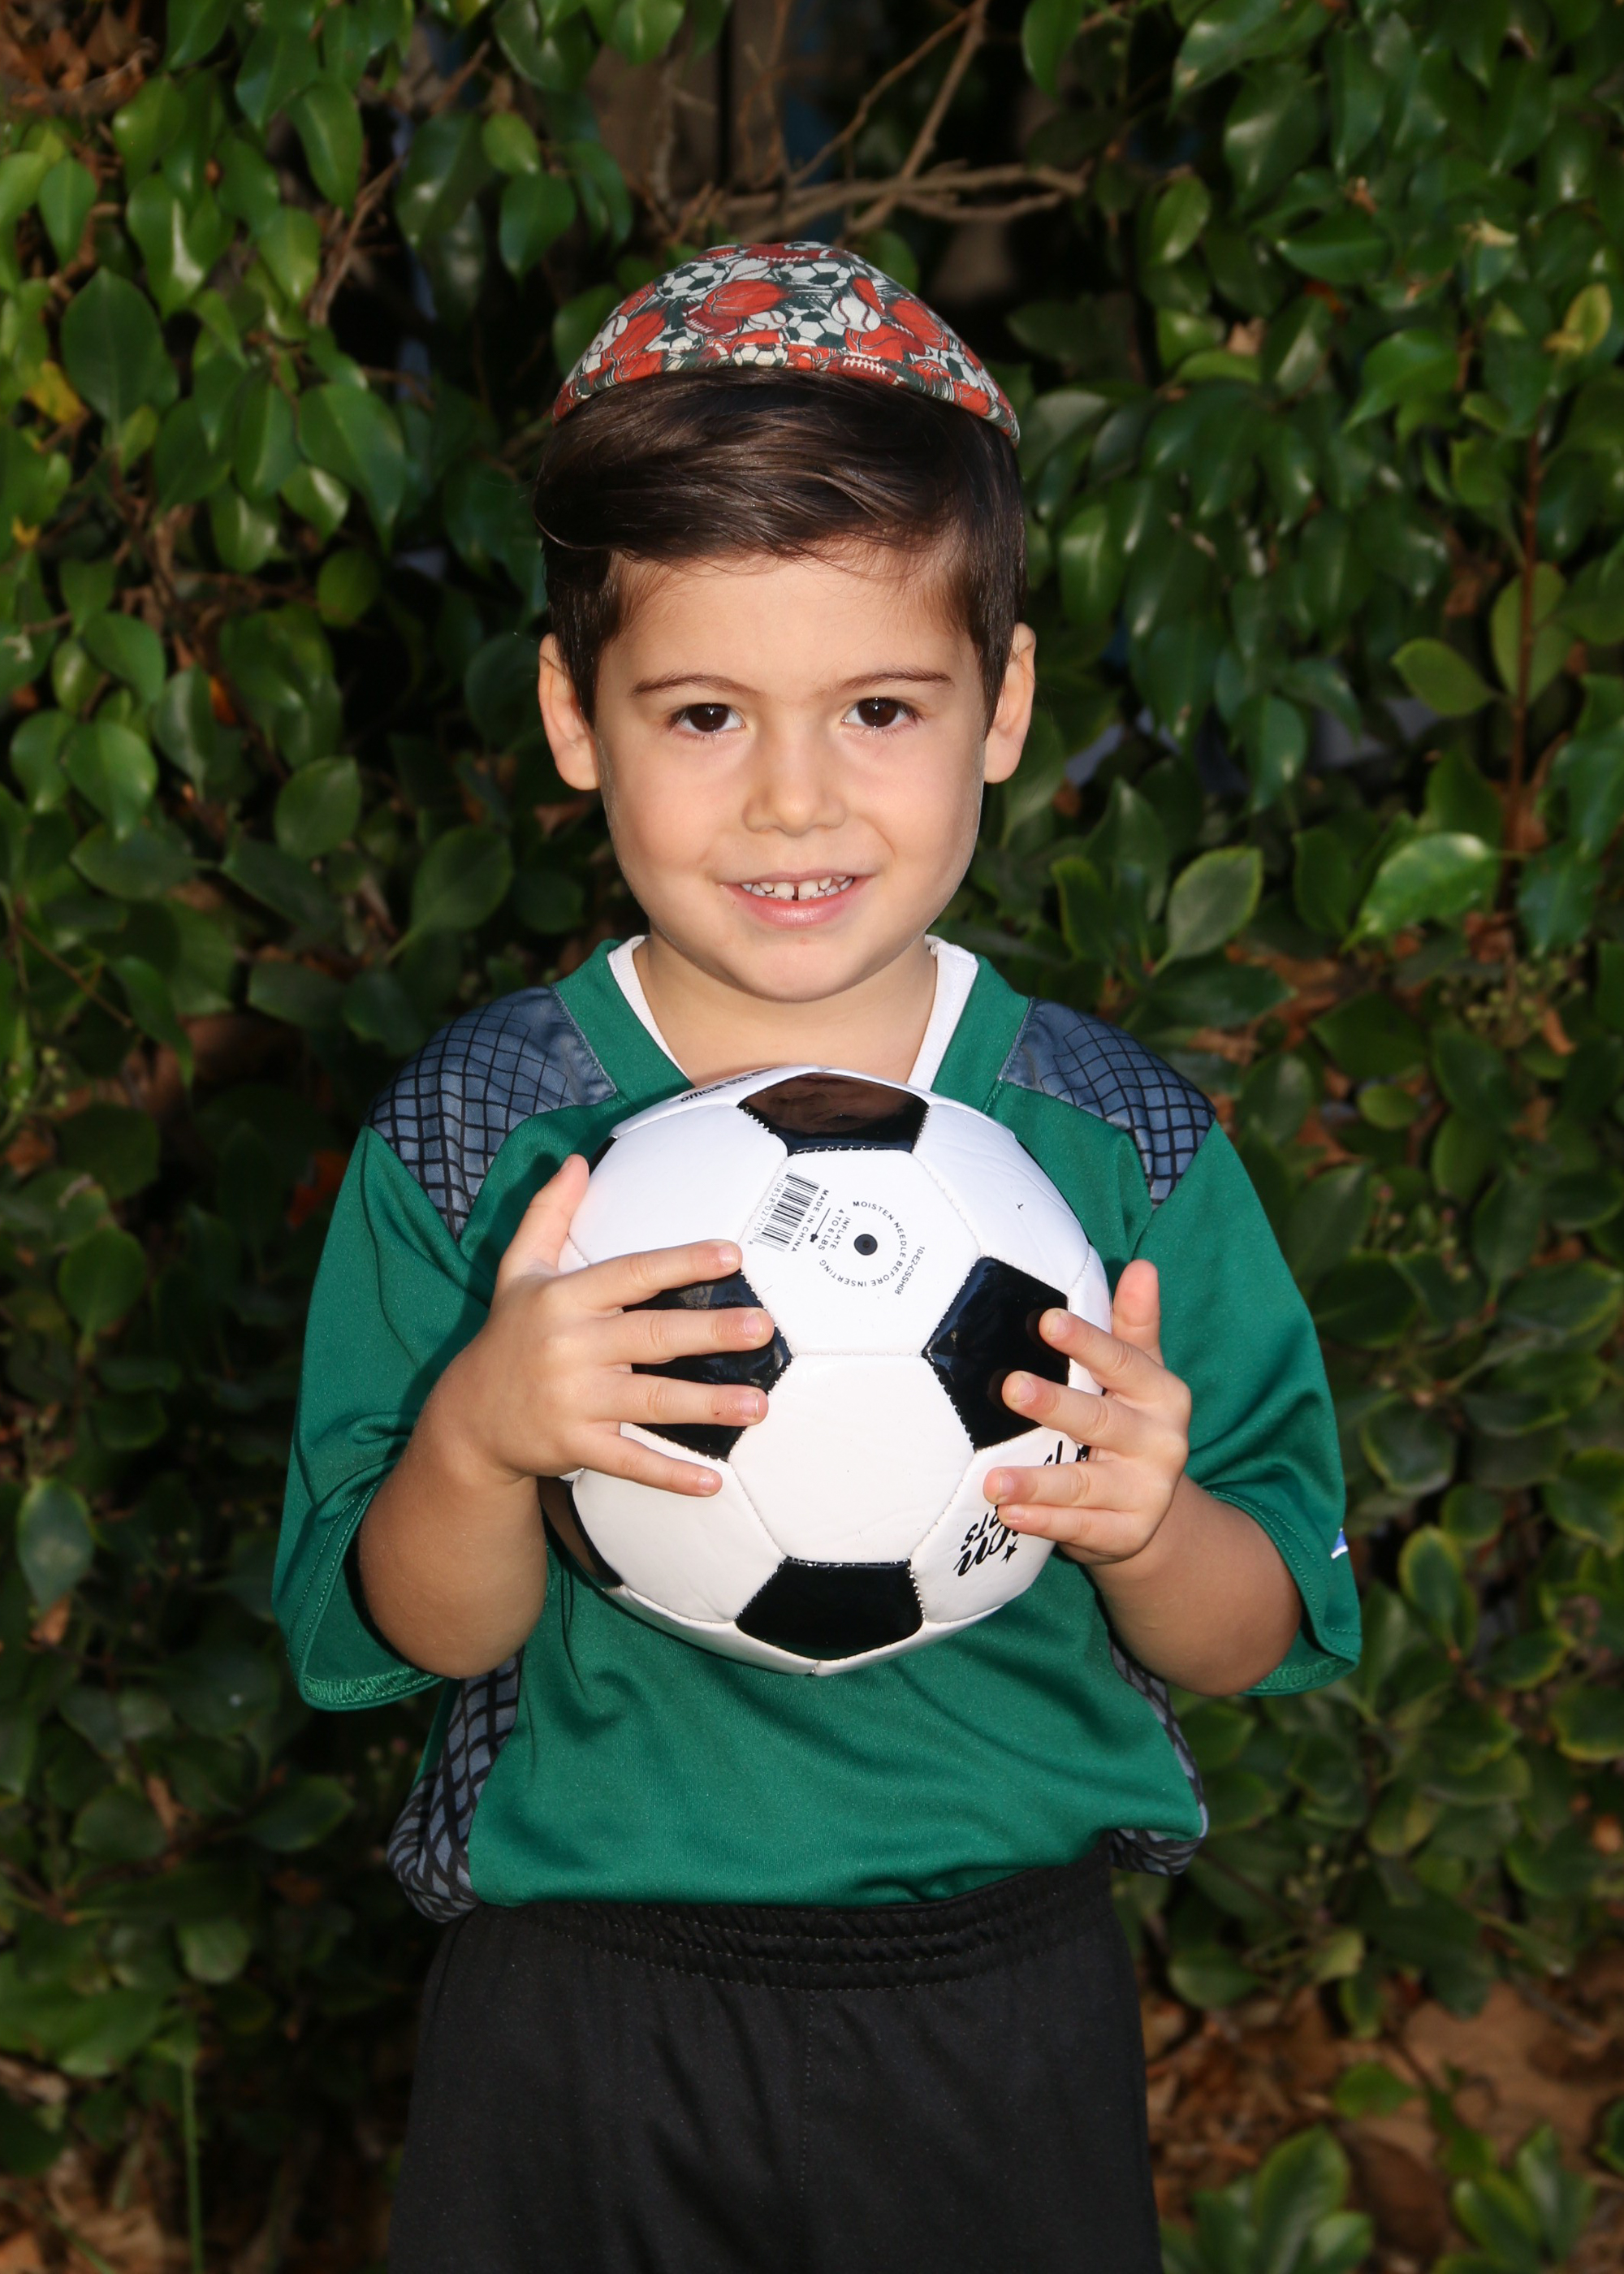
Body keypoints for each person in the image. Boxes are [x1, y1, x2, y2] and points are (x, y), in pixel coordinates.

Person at [274, 242, 1359, 2274]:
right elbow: (413, 1629)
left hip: (998, 2009)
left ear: (1001, 705)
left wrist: (1151, 1526)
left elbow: (1256, 1625)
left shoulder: (1116, 1141)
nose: (794, 797)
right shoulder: (484, 1137)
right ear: (573, 716)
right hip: (584, 2005)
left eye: (878, 707)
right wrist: (482, 1436)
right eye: (703, 710)